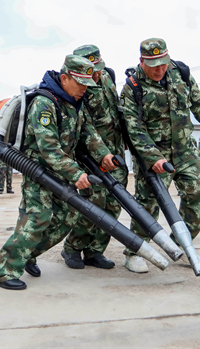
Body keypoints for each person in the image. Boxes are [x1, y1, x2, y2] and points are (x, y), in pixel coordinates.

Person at [0, 55, 115, 290]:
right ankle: (4, 272)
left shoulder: (75, 102)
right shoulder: (44, 103)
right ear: (65, 78)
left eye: (87, 84)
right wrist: (76, 173)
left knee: (67, 218)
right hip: (39, 172)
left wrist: (104, 155)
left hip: (60, 173)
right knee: (37, 218)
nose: (84, 89)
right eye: (80, 84)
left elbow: (88, 132)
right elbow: (48, 148)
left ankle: (26, 254)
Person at [119, 39, 200, 273]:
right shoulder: (133, 86)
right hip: (154, 153)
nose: (160, 70)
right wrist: (153, 157)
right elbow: (134, 128)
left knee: (197, 193)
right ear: (142, 61)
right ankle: (135, 252)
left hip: (184, 149)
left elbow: (199, 102)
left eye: (163, 64)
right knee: (148, 203)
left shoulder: (180, 73)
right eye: (154, 65)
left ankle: (181, 244)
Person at [62, 45, 127, 270]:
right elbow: (85, 126)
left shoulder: (107, 77)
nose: (97, 74)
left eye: (98, 67)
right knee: (94, 203)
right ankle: (72, 247)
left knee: (114, 204)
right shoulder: (78, 87)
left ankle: (95, 251)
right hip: (90, 155)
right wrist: (101, 154)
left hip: (115, 153)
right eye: (92, 70)